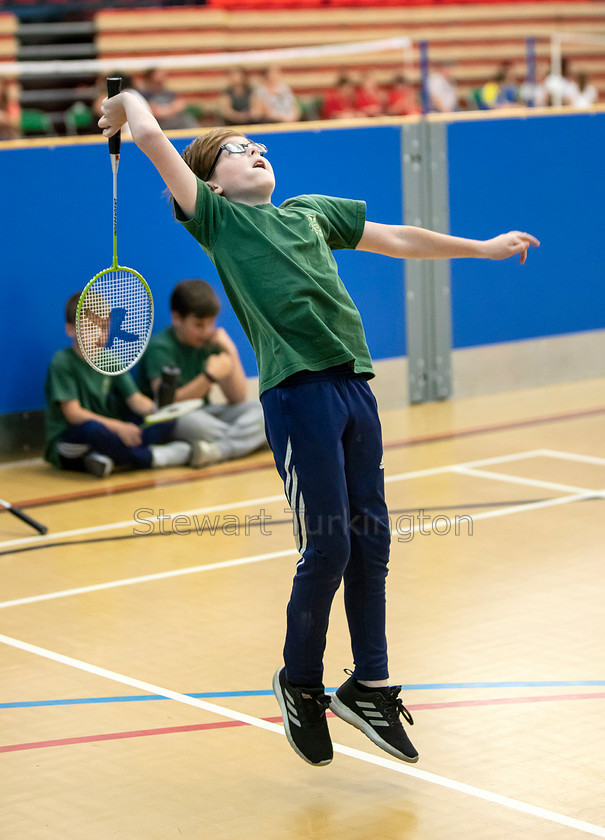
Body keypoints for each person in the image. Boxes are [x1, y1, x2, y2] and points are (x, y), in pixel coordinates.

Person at [98, 95, 539, 767]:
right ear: (209, 183)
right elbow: (154, 135)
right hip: (296, 392)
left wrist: (478, 249)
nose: (255, 151)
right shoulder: (214, 220)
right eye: (236, 149)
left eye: (259, 145)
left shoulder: (309, 212)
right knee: (327, 547)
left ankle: (370, 684)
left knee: (373, 543)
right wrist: (124, 105)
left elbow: (394, 238)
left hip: (353, 386)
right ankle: (299, 683)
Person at [44, 292, 209, 478]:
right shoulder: (62, 362)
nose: (100, 335)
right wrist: (119, 428)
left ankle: (106, 458)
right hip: (72, 440)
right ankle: (155, 457)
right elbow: (73, 414)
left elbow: (135, 399)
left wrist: (157, 411)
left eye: (104, 326)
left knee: (162, 421)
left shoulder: (111, 360)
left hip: (110, 432)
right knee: (94, 430)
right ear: (70, 330)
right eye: (91, 327)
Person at [138, 278, 266, 466]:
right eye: (199, 325)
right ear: (177, 318)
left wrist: (231, 350)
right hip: (173, 418)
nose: (206, 331)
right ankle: (245, 441)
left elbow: (238, 398)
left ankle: (208, 450)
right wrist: (208, 377)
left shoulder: (210, 342)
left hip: (208, 412)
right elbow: (167, 405)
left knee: (262, 412)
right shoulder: (160, 347)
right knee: (201, 425)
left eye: (211, 323)